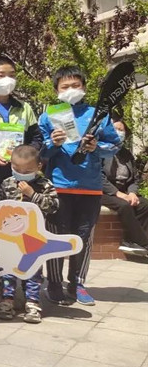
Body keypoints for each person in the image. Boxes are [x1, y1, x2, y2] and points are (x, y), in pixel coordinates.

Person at [39, 66, 120, 306]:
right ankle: (54, 284)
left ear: (84, 87)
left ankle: (78, 284)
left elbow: (114, 146)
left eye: (76, 85)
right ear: (56, 90)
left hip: (90, 187)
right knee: (55, 236)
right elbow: (40, 153)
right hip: (59, 187)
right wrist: (52, 144)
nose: (71, 90)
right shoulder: (48, 116)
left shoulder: (99, 115)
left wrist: (98, 148)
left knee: (83, 237)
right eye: (65, 87)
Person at [0, 145, 59, 324]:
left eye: (27, 171)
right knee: (8, 271)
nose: (21, 174)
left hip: (34, 238)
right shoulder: (7, 183)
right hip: (10, 239)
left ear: (38, 166)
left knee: (33, 271)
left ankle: (33, 303)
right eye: (17, 169)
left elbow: (53, 206)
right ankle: (7, 301)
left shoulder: (45, 184)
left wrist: (32, 194)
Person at [0, 55, 42, 193]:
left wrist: (25, 157)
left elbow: (37, 138)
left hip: (21, 181)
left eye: (11, 75)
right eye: (1, 75)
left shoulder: (24, 108)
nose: (7, 80)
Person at [102, 119, 148, 256]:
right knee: (124, 206)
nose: (119, 132)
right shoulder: (101, 151)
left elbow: (134, 178)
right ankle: (144, 243)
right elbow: (98, 177)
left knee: (144, 204)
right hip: (103, 192)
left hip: (124, 190)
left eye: (121, 130)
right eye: (115, 129)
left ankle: (130, 240)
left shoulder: (126, 153)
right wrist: (118, 193)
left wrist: (132, 193)